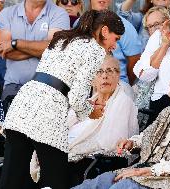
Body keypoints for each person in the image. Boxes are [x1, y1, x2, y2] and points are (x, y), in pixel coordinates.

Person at [0, 10, 125, 189]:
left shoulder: (63, 39)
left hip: (23, 104)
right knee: (56, 180)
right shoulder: (95, 49)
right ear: (105, 31)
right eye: (116, 39)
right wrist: (92, 112)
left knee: (11, 179)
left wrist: (85, 105)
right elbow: (75, 97)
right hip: (48, 112)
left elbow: (65, 85)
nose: (114, 46)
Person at [72, 64, 170, 189]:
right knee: (96, 183)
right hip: (144, 169)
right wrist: (132, 143)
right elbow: (148, 135)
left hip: (165, 178)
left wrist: (146, 171)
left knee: (121, 186)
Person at [29, 56, 139, 187]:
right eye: (99, 72)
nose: (104, 76)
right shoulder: (87, 103)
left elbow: (110, 143)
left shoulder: (122, 102)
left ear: (118, 76)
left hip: (91, 161)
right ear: (92, 80)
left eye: (110, 71)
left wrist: (68, 151)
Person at [0, 0, 70, 102]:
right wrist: (41, 47)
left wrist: (16, 43)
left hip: (48, 88)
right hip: (14, 88)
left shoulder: (59, 13)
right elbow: (5, 52)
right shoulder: (7, 13)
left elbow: (56, 49)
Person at [90, 0, 142, 85]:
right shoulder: (79, 24)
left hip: (117, 86)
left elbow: (135, 59)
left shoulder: (123, 25)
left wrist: (123, 83)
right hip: (88, 87)